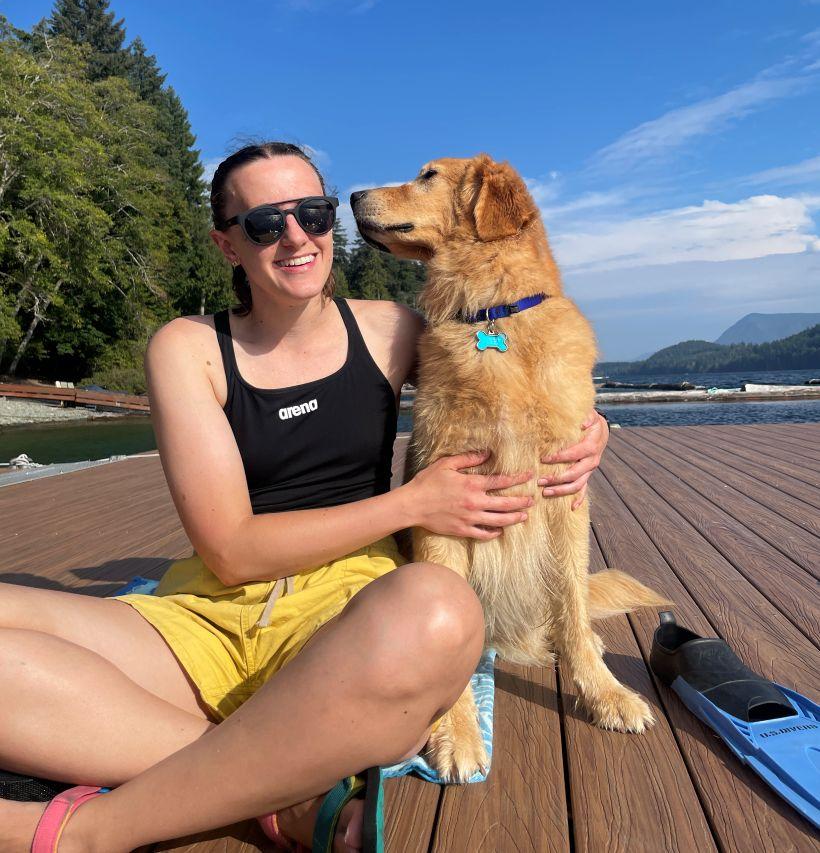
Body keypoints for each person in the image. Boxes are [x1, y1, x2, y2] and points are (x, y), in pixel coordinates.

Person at [0, 141, 610, 853]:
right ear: (226, 243)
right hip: (212, 609)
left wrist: (585, 426)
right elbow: (227, 550)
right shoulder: (188, 346)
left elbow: (507, 354)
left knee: (440, 612)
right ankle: (281, 787)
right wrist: (411, 504)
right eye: (265, 223)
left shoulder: (391, 329)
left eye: (314, 215)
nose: (296, 237)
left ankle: (96, 826)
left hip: (347, 613)